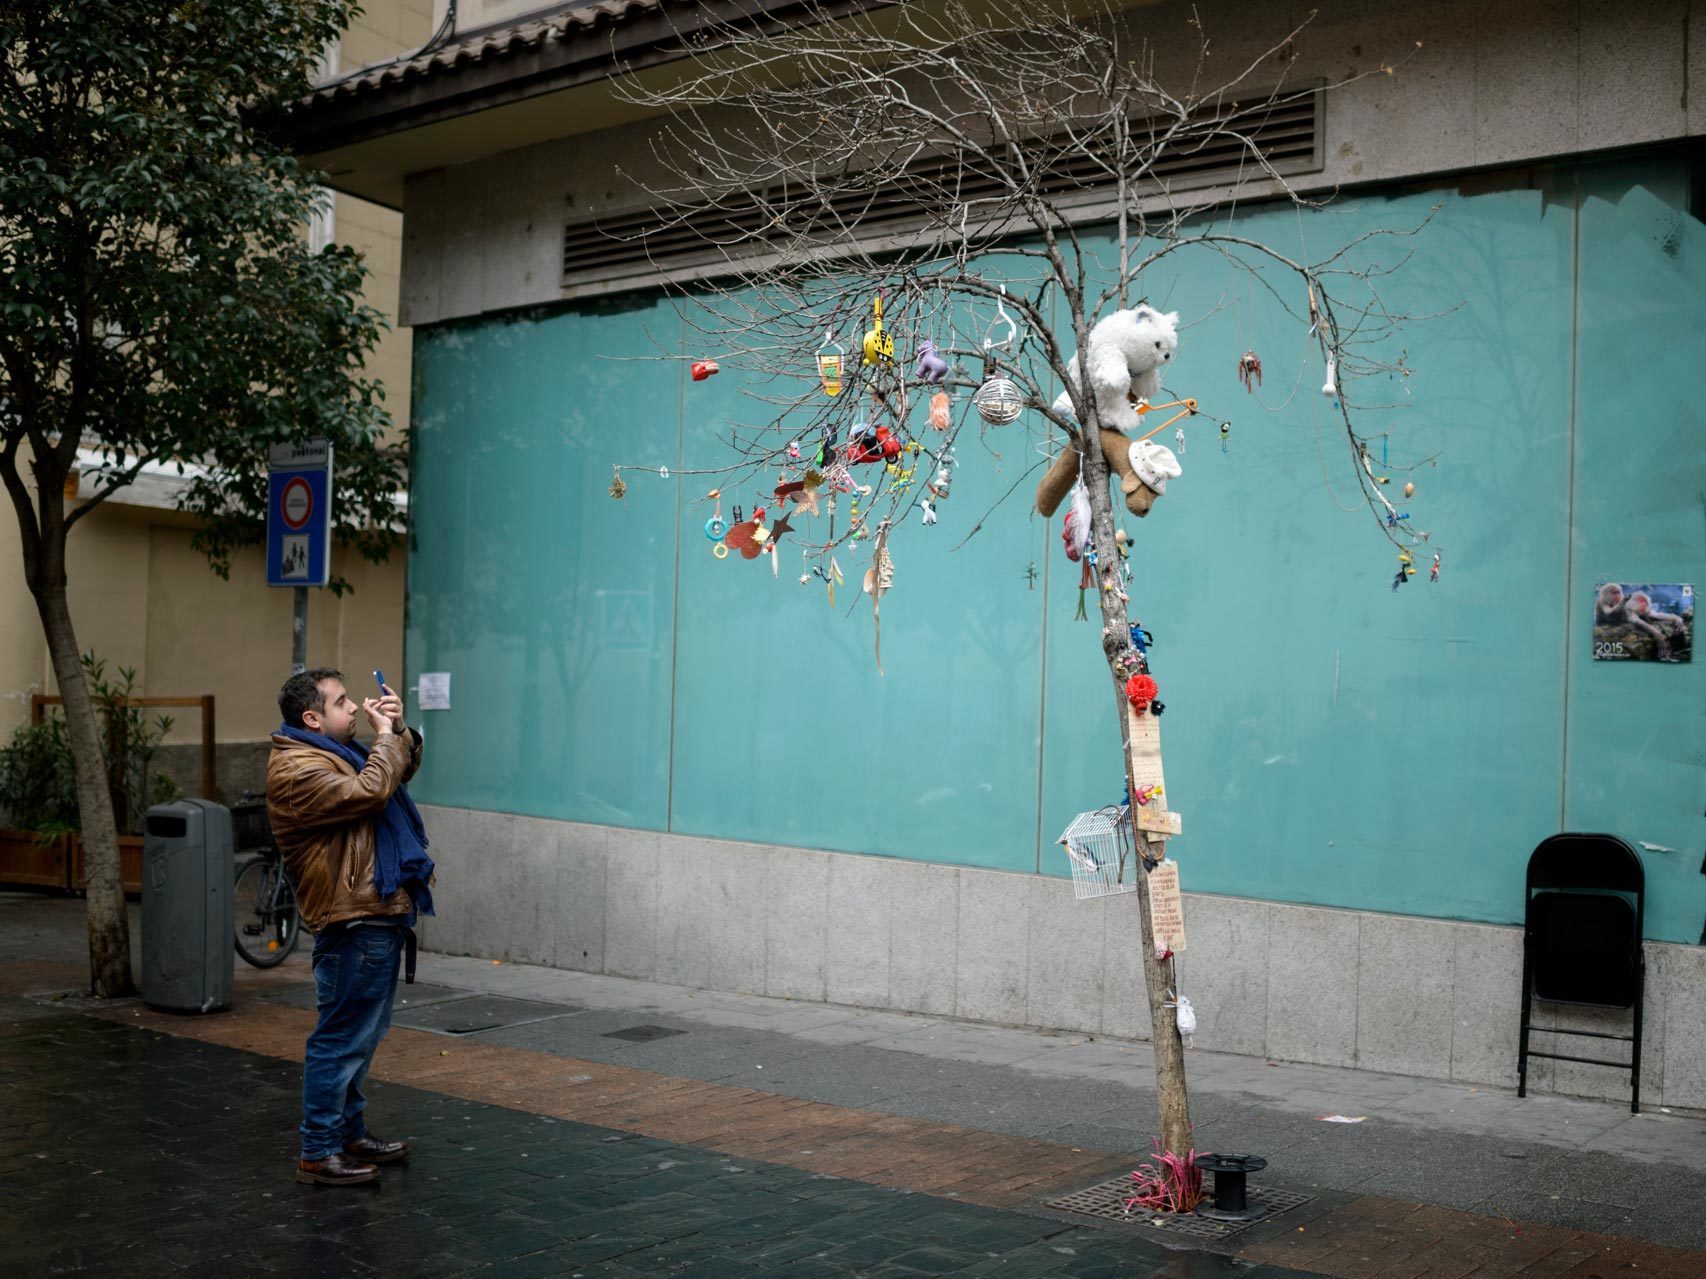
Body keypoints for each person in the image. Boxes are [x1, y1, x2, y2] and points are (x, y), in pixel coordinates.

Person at [269, 668, 434, 1187]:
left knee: (361, 1037)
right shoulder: (297, 768)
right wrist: (385, 740)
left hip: (373, 913)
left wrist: (399, 732)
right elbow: (371, 793)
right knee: (339, 1040)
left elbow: (392, 774)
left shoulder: (337, 755)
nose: (354, 709)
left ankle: (348, 1132)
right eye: (342, 703)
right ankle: (318, 1150)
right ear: (311, 717)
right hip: (351, 919)